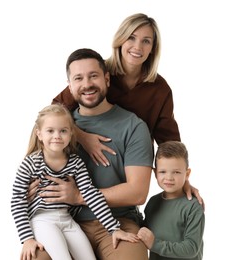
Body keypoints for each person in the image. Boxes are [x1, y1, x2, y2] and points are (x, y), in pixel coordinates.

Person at [52, 13, 202, 204]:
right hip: (83, 166)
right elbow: (55, 110)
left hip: (126, 171)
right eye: (131, 37)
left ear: (152, 49)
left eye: (146, 41)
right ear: (120, 40)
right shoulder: (96, 74)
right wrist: (81, 136)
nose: (137, 47)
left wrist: (182, 178)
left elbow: (168, 141)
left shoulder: (160, 89)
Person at [28, 48, 154, 260]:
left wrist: (78, 196)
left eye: (93, 76)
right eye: (78, 78)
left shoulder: (133, 126)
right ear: (70, 86)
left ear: (106, 79)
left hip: (119, 221)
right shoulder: (57, 128)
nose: (87, 84)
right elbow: (29, 174)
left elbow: (138, 192)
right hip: (64, 221)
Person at [11, 103, 140, 260]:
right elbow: (17, 202)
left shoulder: (75, 162)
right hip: (43, 220)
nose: (57, 136)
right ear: (39, 134)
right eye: (50, 131)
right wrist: (27, 239)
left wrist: (113, 229)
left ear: (72, 133)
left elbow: (90, 194)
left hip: (67, 219)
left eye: (63, 131)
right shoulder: (30, 163)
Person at [137, 141, 205, 260]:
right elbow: (144, 231)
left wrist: (155, 244)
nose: (169, 178)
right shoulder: (153, 202)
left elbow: (191, 248)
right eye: (163, 172)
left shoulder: (193, 206)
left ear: (187, 173)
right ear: (155, 173)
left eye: (176, 172)